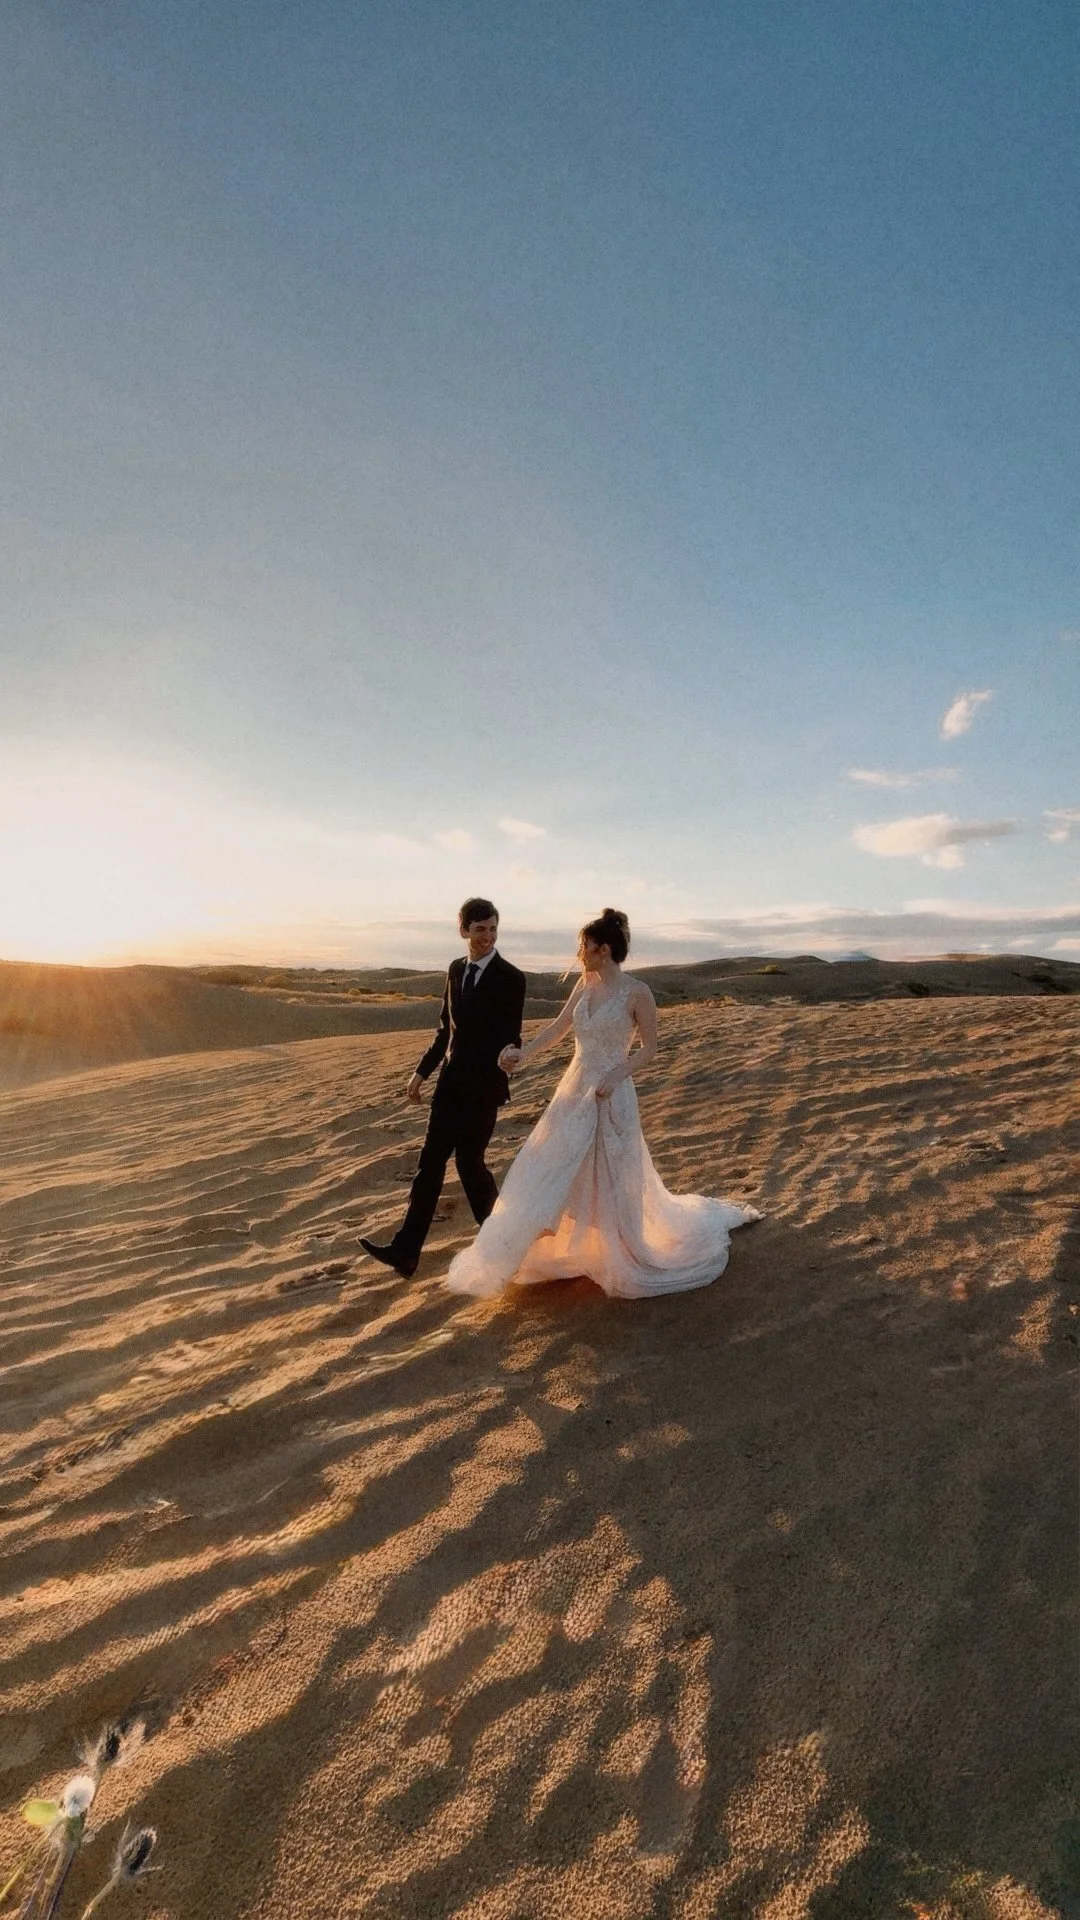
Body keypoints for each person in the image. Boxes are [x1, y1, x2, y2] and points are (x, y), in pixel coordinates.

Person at [445, 907, 760, 1299]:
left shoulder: (638, 993)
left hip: (612, 1091)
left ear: (605, 949)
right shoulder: (585, 984)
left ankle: (618, 1247)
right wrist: (521, 1056)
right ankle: (557, 1246)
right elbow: (558, 1029)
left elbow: (650, 1050)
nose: (580, 952)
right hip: (574, 1089)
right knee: (553, 1163)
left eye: (586, 946)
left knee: (611, 1171)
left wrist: (615, 1076)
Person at [359, 897, 527, 1278]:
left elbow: (510, 1033)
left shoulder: (511, 977)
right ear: (463, 931)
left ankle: (503, 1250)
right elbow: (444, 1031)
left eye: (493, 928)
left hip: (483, 1088)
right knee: (429, 1166)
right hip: (449, 1087)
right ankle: (406, 1252)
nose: (488, 936)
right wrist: (421, 1073)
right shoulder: (454, 970)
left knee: (471, 1167)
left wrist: (509, 1053)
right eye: (480, 929)